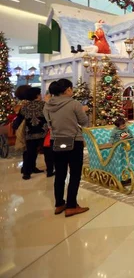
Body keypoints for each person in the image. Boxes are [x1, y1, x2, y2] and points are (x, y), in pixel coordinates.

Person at [44, 79, 90, 217]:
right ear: (67, 90)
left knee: (60, 173)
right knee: (75, 174)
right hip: (73, 142)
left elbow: (49, 123)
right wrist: (83, 110)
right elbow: (84, 121)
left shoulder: (47, 105)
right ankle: (71, 205)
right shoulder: (74, 104)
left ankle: (59, 204)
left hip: (55, 141)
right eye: (71, 88)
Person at [12, 87, 51, 180]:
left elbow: (18, 120)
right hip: (43, 132)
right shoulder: (44, 105)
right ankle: (50, 171)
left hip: (29, 133)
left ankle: (26, 173)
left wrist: (15, 127)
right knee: (48, 153)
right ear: (37, 95)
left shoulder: (24, 107)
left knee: (30, 154)